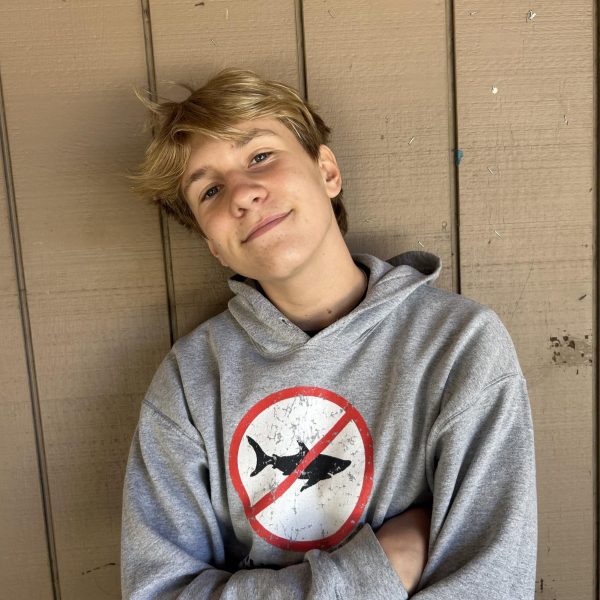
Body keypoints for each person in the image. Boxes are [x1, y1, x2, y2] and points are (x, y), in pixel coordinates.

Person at [121, 69, 537, 599]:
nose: (242, 194)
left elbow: (492, 583)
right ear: (213, 245)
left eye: (260, 156)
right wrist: (377, 572)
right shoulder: (190, 382)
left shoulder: (459, 346)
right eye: (210, 191)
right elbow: (158, 590)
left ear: (327, 171)